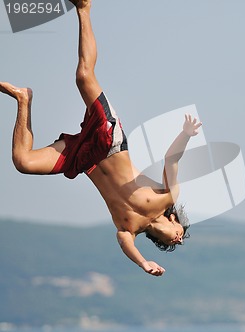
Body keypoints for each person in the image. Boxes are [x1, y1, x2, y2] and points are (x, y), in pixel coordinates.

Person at [0, 0, 201, 277]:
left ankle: (23, 98)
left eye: (174, 243)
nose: (178, 239)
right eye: (180, 234)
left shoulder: (128, 227)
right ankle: (84, 8)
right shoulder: (166, 197)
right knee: (83, 76)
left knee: (23, 162)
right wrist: (186, 135)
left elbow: (124, 243)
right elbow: (171, 159)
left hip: (85, 160)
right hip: (110, 140)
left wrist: (144, 263)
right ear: (173, 219)